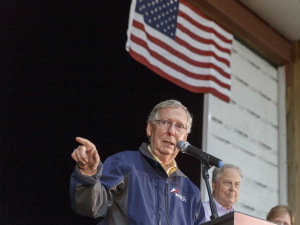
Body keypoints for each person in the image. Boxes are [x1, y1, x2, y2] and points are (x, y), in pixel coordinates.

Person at [69, 99, 205, 225]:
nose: (171, 131)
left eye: (179, 126)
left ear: (185, 137)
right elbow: (90, 207)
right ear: (150, 128)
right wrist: (88, 174)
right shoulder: (123, 164)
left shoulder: (191, 192)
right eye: (164, 122)